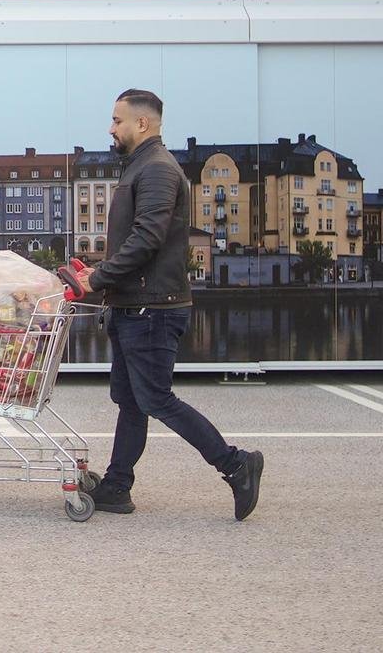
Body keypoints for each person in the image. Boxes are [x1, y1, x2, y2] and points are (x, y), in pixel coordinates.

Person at [81, 89, 264, 521]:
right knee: (131, 399)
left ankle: (236, 464)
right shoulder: (142, 167)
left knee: (156, 399)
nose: (111, 128)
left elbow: (147, 239)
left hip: (152, 308)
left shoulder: (158, 170)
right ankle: (116, 486)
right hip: (136, 304)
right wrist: (97, 269)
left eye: (117, 120)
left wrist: (98, 277)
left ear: (142, 124)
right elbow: (135, 238)